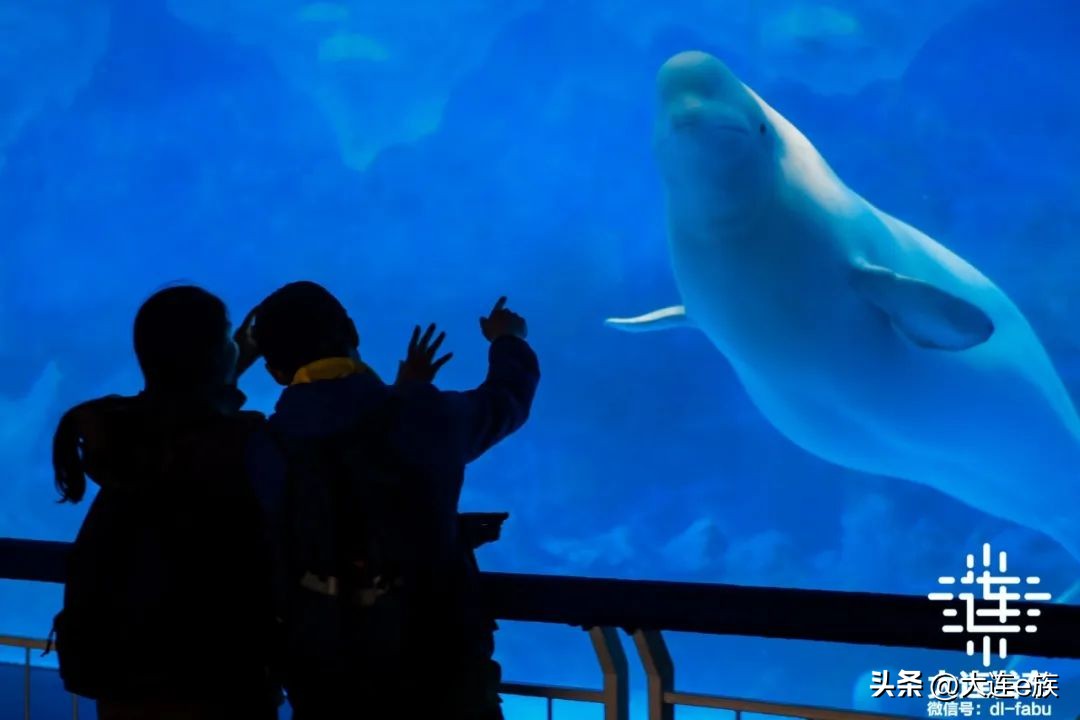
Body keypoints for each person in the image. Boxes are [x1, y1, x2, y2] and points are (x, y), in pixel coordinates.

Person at [244, 281, 540, 719]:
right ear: (352, 332)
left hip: (327, 682)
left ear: (271, 372)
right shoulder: (423, 416)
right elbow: (506, 401)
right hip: (438, 675)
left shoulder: (262, 446)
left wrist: (235, 356)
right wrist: (508, 341)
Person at [50, 285, 279, 720]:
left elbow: (184, 416)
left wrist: (227, 367)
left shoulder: (125, 436)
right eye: (227, 336)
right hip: (219, 680)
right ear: (212, 354)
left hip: (126, 683)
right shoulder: (241, 445)